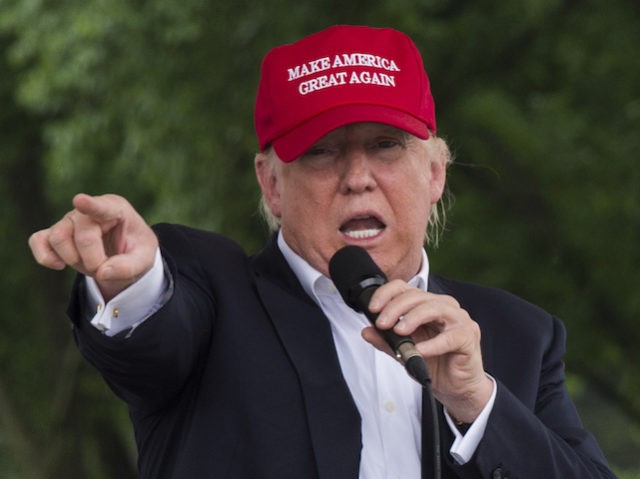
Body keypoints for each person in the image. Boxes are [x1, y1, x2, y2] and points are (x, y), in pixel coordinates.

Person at [28, 25, 615, 479]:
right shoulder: (213, 296)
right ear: (271, 185)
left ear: (435, 173)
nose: (358, 177)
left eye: (386, 146)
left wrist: (476, 402)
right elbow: (154, 331)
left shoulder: (520, 336)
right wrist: (131, 282)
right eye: (321, 152)